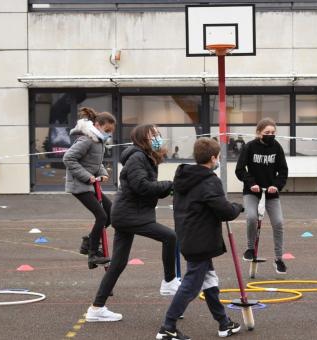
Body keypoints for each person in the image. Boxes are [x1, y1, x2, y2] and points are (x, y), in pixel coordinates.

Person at [85, 124, 180, 322]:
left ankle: (96, 308)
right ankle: (169, 281)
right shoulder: (137, 157)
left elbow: (146, 187)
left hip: (131, 213)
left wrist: (167, 189)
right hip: (129, 215)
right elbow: (142, 186)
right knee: (170, 236)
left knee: (118, 264)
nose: (158, 137)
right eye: (153, 134)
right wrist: (170, 185)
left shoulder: (146, 157)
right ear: (142, 138)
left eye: (158, 134)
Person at [157, 137, 243, 339]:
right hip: (201, 240)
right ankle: (168, 327)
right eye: (219, 157)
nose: (219, 160)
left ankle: (224, 323)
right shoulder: (209, 180)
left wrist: (228, 206)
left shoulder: (184, 178)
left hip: (189, 236)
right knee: (192, 284)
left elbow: (210, 204)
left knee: (209, 279)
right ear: (213, 158)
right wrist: (237, 207)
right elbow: (224, 211)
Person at [63, 107, 115, 269]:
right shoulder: (86, 140)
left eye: (111, 132)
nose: (109, 134)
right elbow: (68, 158)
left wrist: (103, 172)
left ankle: (89, 239)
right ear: (97, 125)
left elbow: (95, 163)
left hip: (90, 184)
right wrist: (87, 176)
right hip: (79, 185)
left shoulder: (99, 141)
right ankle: (93, 254)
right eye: (107, 130)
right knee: (101, 216)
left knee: (111, 212)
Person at [236, 118, 289, 274]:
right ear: (259, 133)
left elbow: (283, 171)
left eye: (273, 133)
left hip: (271, 192)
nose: (270, 135)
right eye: (267, 133)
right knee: (251, 217)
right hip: (252, 191)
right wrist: (251, 183)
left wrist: (276, 186)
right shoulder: (250, 147)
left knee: (278, 223)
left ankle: (279, 259)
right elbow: (240, 169)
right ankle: (250, 249)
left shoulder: (277, 147)